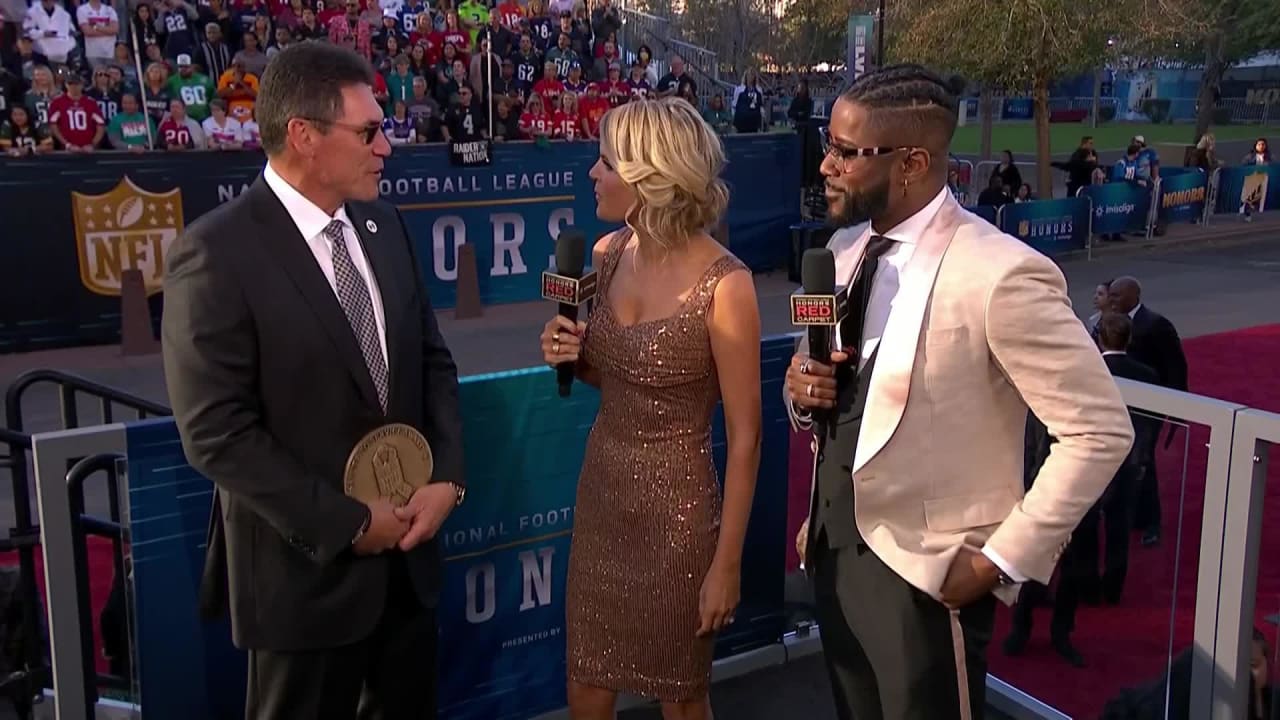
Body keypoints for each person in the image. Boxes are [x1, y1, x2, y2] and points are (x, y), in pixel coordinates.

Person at [785, 64, 1134, 720]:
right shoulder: (841, 250)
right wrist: (802, 392)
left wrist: (999, 560)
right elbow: (837, 399)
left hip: (926, 574)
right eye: (825, 143)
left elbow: (1100, 431)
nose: (826, 165)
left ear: (913, 162)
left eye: (844, 151)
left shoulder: (999, 273)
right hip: (833, 552)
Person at [161, 42, 464, 720]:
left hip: (409, 575)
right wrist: (350, 523)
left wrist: (448, 477)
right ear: (303, 135)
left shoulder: (385, 226)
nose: (386, 145)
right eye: (369, 130)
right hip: (304, 585)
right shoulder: (214, 254)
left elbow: (433, 365)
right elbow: (216, 432)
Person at [538, 96, 762, 720]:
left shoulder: (728, 285)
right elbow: (609, 376)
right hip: (603, 494)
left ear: (647, 175)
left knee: (681, 696)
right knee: (585, 683)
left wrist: (727, 564)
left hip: (679, 514)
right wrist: (567, 352)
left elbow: (746, 439)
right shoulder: (605, 256)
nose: (592, 173)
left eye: (605, 160)